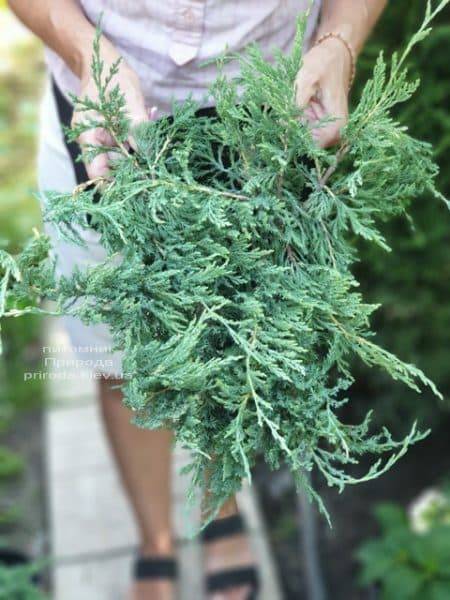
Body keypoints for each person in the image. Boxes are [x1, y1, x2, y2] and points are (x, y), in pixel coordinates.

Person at [7, 1, 388, 599]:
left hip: (267, 116)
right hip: (100, 111)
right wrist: (89, 51)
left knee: (231, 357)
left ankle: (222, 514)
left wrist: (340, 41)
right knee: (123, 360)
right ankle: (155, 538)